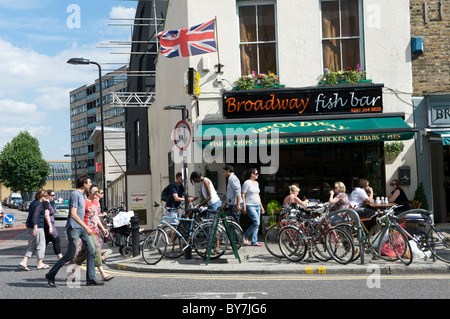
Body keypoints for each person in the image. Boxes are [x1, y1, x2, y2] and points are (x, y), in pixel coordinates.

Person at [45, 174, 104, 287]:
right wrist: (86, 227)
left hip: (81, 228)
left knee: (91, 250)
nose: (91, 184)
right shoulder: (75, 194)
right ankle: (51, 274)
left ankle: (91, 278)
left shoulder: (81, 196)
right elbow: (73, 214)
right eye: (89, 182)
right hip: (74, 228)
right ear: (84, 184)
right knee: (70, 255)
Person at [72, 185, 113, 281]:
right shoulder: (84, 202)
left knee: (83, 254)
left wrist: (102, 228)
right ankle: (103, 274)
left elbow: (96, 217)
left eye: (98, 192)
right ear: (89, 192)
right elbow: (78, 216)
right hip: (87, 230)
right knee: (96, 250)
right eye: (95, 192)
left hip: (95, 230)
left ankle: (71, 273)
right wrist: (83, 228)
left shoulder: (96, 202)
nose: (97, 194)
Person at [19, 189, 50, 271]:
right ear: (41, 196)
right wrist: (35, 228)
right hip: (37, 227)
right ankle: (40, 263)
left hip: (30, 226)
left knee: (33, 244)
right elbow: (35, 216)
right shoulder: (39, 205)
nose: (47, 198)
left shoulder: (33, 203)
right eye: (46, 196)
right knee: (41, 244)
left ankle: (24, 261)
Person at [241, 168, 265, 246]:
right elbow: (243, 195)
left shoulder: (256, 183)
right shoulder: (247, 183)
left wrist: (261, 206)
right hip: (250, 205)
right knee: (256, 222)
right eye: (256, 174)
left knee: (257, 224)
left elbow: (258, 195)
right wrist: (244, 206)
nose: (258, 175)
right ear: (252, 174)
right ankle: (245, 236)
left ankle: (254, 241)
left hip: (257, 205)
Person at [44, 190, 62, 260]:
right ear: (47, 196)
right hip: (49, 225)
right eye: (52, 195)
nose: (54, 197)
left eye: (54, 195)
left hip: (49, 225)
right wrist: (50, 227)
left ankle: (39, 260)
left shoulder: (48, 203)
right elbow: (46, 215)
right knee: (56, 240)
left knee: (44, 243)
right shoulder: (46, 203)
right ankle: (60, 259)